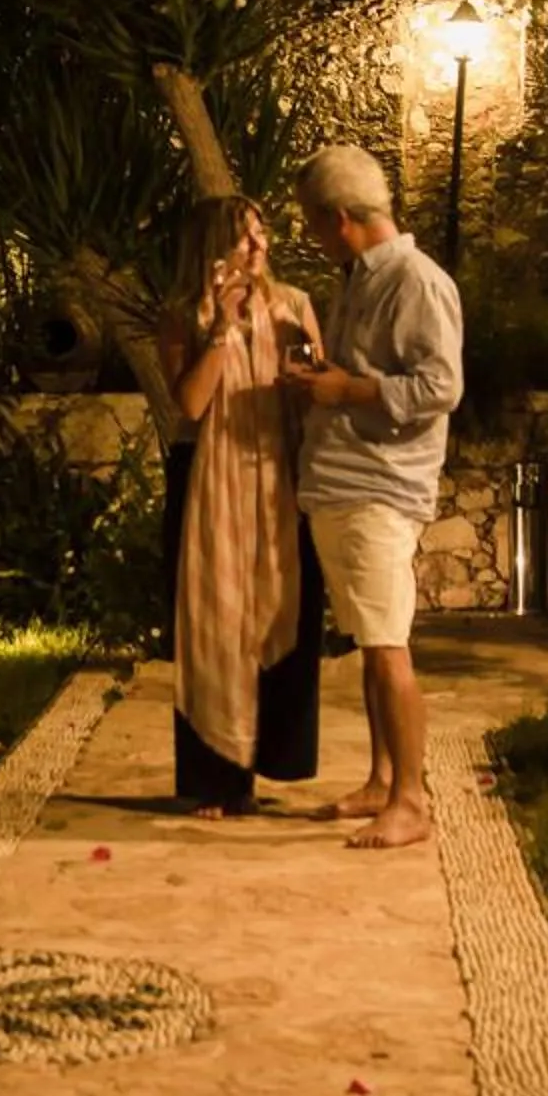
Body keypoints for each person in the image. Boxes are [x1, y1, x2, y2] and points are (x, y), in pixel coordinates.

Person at [292, 146, 462, 849]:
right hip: (344, 480)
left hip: (378, 489)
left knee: (388, 645)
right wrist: (327, 378)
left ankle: (411, 801)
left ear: (339, 218)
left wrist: (349, 390)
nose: (310, 236)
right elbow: (369, 372)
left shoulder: (416, 282)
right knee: (371, 640)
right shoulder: (357, 279)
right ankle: (381, 778)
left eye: (312, 223)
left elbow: (440, 386)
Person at [158, 194, 327, 817]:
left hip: (279, 475)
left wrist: (308, 373)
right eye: (243, 239)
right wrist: (224, 330)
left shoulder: (295, 308)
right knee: (214, 623)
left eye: (261, 235)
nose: (258, 248)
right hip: (212, 479)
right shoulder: (182, 317)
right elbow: (192, 405)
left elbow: (319, 388)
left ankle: (274, 757)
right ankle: (218, 776)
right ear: (211, 250)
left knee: (279, 612)